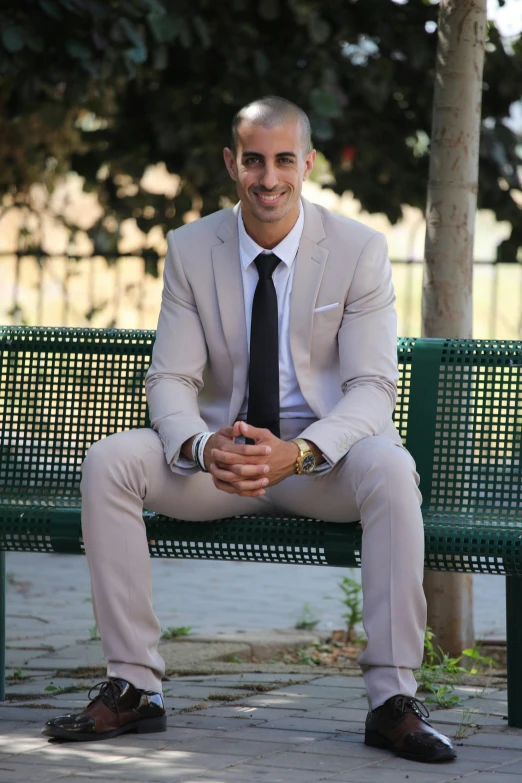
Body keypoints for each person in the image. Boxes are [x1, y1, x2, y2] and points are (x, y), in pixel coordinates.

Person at [42, 96, 456, 763]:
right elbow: (171, 380)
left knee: (390, 467)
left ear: (308, 163)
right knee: (110, 460)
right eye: (255, 160)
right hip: (221, 466)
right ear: (232, 163)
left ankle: (392, 699)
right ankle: (134, 685)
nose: (270, 178)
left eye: (284, 160)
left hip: (318, 468)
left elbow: (374, 388)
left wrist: (301, 451)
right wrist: (201, 445)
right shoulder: (191, 247)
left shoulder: (357, 250)